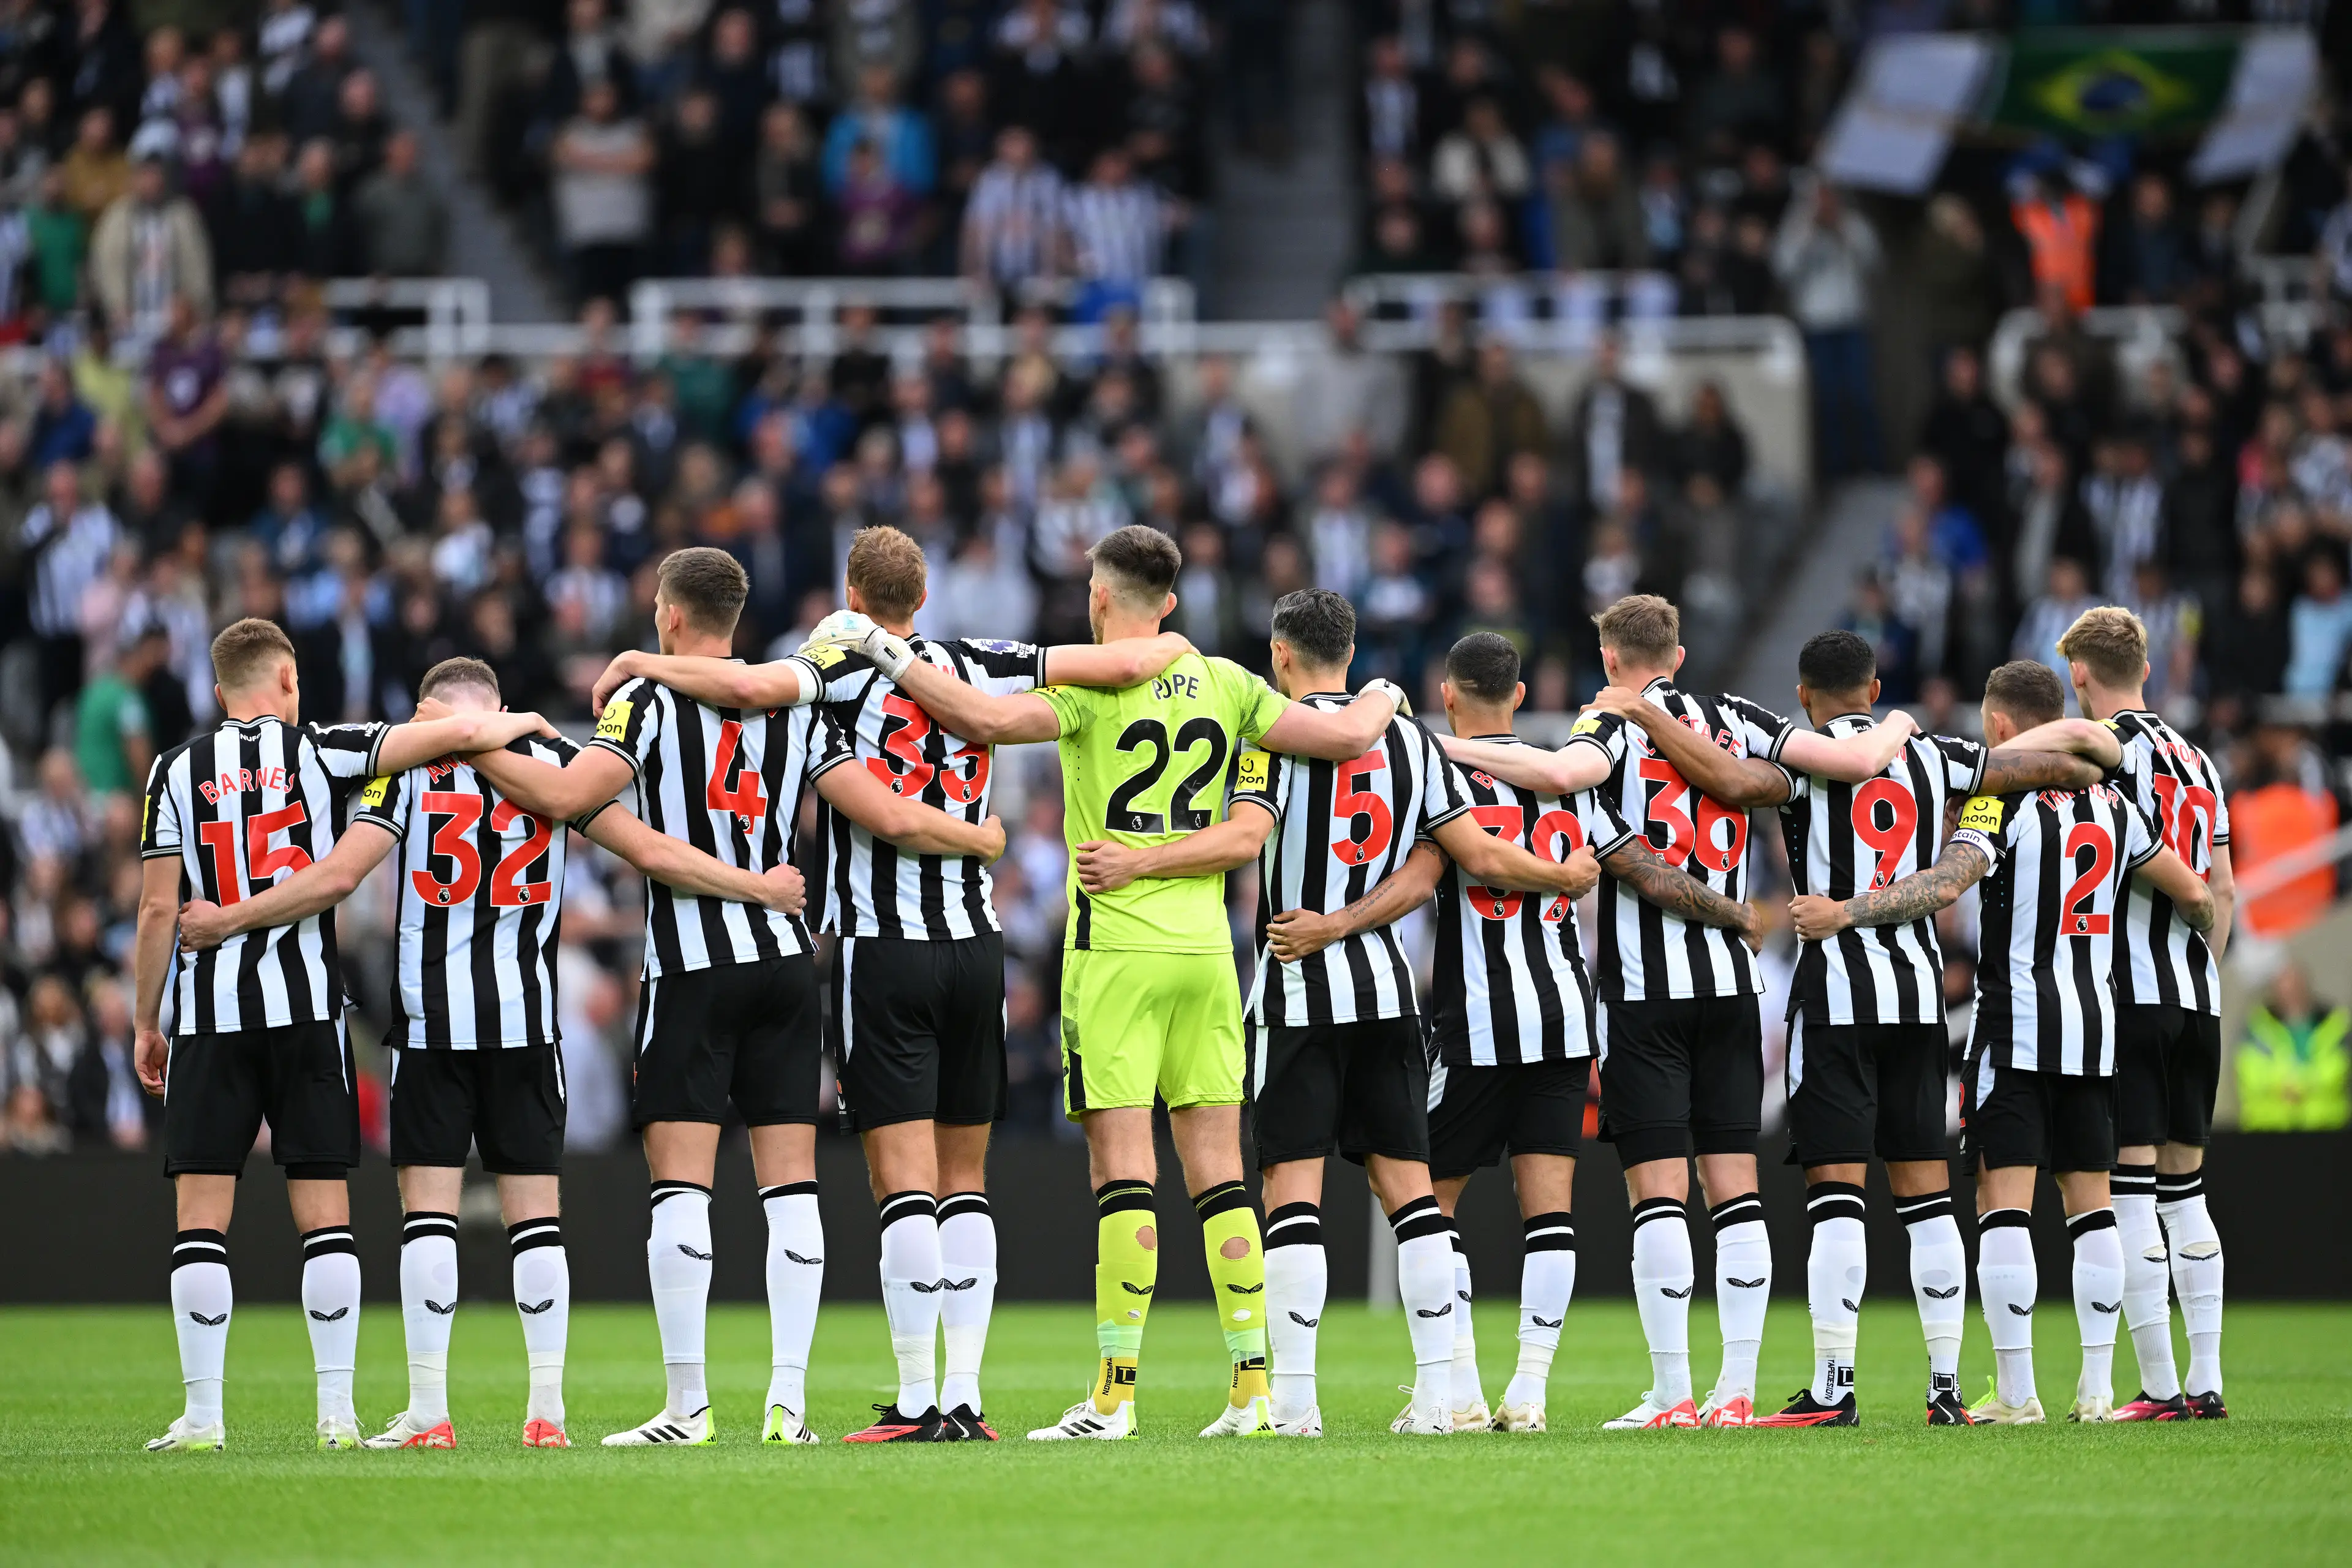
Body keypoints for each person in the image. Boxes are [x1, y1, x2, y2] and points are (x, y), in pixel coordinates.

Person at [585, 524, 1194, 1442]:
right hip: (977, 948)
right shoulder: (984, 661)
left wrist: (643, 659)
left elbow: (749, 686)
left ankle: (917, 1402)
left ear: (853, 594)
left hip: (883, 947)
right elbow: (1131, 662)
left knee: (903, 1185)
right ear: (925, 597)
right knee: (968, 1181)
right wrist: (1179, 643)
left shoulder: (833, 655)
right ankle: (967, 1398)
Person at [833, 526, 1409, 1441]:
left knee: (1122, 1173)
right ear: (1170, 602)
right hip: (1209, 956)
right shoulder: (1228, 683)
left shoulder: (1087, 689)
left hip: (1115, 954)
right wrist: (1380, 692)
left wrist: (881, 647)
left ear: (1098, 599)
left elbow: (977, 719)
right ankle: (1254, 1390)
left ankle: (1113, 1394)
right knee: (1221, 1174)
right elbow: (1340, 740)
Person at [172, 657, 809, 1450]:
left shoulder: (406, 771)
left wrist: (228, 921)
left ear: (426, 713)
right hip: (528, 1026)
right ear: (498, 709)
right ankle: (548, 1412)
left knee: (428, 1219)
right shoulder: (554, 765)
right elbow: (652, 851)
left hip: (433, 1027)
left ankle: (430, 1415)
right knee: (537, 1221)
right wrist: (757, 887)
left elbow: (335, 877)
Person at [445, 549, 1005, 1449]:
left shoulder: (646, 701)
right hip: (788, 963)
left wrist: (472, 739)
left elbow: (561, 796)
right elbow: (875, 805)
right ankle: (788, 1408)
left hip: (692, 965)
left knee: (682, 1187)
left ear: (669, 615)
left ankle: (687, 1409)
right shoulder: (798, 701)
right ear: (736, 618)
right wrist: (978, 835)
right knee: (791, 1190)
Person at [1068, 599, 1615, 1436]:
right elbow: (1457, 860)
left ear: (1280, 656)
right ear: (1352, 652)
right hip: (1389, 991)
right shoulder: (1410, 740)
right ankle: (1441, 1398)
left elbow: (1245, 838)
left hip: (1297, 991)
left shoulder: (1269, 738)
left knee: (1292, 1190)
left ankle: (1293, 1402)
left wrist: (1315, 921)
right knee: (1409, 1193)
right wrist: (1560, 877)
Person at [1251, 631, 1760, 1434]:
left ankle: (1455, 1388)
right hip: (1564, 1017)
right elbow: (1628, 865)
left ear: (1448, 696)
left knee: (1424, 1204)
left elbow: (1445, 868)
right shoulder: (1569, 783)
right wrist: (1733, 913)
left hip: (1472, 1025)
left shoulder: (1434, 765)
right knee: (1547, 1212)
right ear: (1520, 696)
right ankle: (1529, 1391)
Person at [1439, 595, 1920, 1429]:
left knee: (1659, 1195)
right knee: (1735, 1191)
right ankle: (1736, 1391)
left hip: (1646, 995)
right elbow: (1846, 762)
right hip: (1734, 991)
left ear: (1609, 657)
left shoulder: (1610, 726)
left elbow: (1560, 779)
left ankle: (1674, 1393)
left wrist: (1430, 743)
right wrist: (1903, 721)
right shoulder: (1738, 717)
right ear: (1680, 656)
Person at [1657, 630, 2115, 1426]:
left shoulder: (1797, 760)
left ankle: (1836, 1388)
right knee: (1927, 1195)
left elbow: (1727, 779)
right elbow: (2065, 767)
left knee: (1838, 1192)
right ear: (1874, 687)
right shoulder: (1940, 756)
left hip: (1835, 995)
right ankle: (1945, 1389)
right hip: (1917, 1000)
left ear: (1805, 696)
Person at [132, 619, 567, 1452]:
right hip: (320, 1016)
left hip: (217, 1018)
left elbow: (159, 909)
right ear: (291, 683)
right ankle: (340, 1415)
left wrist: (149, 1019)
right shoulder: (329, 748)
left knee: (201, 1220)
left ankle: (203, 1417)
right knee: (328, 1218)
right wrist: (524, 724)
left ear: (220, 694)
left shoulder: (175, 769)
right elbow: (469, 738)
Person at [1790, 660, 2215, 1425]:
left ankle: (2017, 1393)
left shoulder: (2000, 802)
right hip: (2097, 1027)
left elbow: (1946, 882)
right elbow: (2194, 892)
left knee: (2002, 1202)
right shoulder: (2120, 808)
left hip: (2016, 1024)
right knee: (2095, 1207)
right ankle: (2095, 1390)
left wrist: (1847, 911)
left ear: (2000, 729)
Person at [2056, 608, 2237, 1420]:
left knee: (2129, 1192)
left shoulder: (2110, 744)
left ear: (2080, 676)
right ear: (2149, 669)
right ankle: (2208, 1382)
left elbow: (2091, 746)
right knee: (2186, 1192)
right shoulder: (2201, 761)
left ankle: (2160, 1387)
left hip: (2125, 997)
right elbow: (2223, 890)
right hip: (2196, 997)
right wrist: (2205, 970)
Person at [2236, 960, 2349, 1133]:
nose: (2291, 995)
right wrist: (2285, 1084)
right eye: (2285, 989)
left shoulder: (2334, 1023)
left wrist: (2301, 1084)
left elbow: (2339, 1067)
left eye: (2296, 988)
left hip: (2327, 1128)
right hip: (2268, 1131)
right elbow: (2249, 1070)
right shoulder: (2258, 1027)